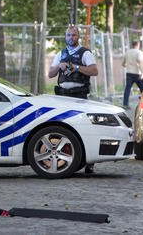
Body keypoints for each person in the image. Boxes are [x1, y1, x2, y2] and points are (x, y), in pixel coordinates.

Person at [48, 25, 98, 174]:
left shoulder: (85, 53)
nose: (71, 38)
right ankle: (64, 159)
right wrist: (60, 66)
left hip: (79, 95)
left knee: (83, 127)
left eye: (74, 35)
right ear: (65, 37)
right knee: (62, 127)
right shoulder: (61, 53)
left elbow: (94, 70)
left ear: (79, 37)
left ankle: (90, 162)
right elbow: (50, 74)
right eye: (68, 35)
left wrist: (75, 67)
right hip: (62, 96)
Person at [122, 41, 143, 109]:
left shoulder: (127, 52)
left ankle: (125, 104)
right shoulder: (138, 52)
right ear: (138, 45)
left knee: (127, 89)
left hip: (129, 73)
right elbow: (141, 63)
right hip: (137, 73)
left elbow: (123, 64)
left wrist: (129, 65)